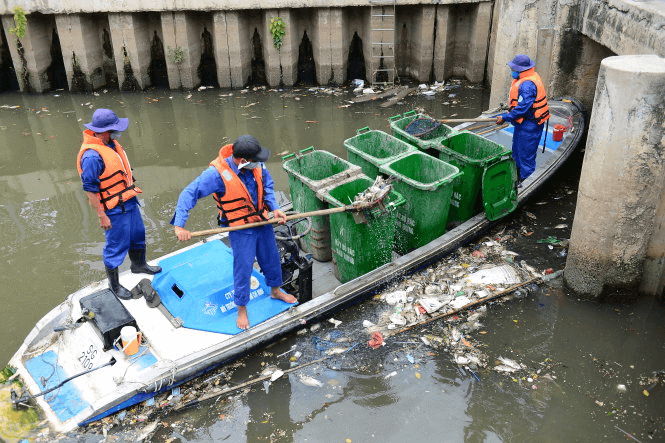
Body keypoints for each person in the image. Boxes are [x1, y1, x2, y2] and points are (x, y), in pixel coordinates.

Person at [172, 135, 297, 330]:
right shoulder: (216, 174)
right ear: (243, 161)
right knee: (243, 268)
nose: (259, 164)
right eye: (255, 161)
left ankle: (275, 290)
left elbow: (268, 186)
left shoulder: (257, 166)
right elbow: (189, 193)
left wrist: (275, 207)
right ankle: (241, 308)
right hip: (240, 228)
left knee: (271, 258)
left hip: (262, 221)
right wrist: (179, 225)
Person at [77, 109, 161, 301]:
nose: (117, 133)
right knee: (115, 246)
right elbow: (90, 189)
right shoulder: (91, 156)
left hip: (128, 200)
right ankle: (114, 285)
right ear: (103, 131)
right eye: (114, 129)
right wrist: (102, 215)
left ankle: (138, 265)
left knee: (138, 234)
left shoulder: (110, 144)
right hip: (113, 208)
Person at [495, 54, 550, 182]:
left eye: (514, 69)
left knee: (526, 155)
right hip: (523, 124)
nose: (512, 71)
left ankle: (526, 181)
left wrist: (505, 117)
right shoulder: (528, 78)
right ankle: (517, 175)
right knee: (517, 152)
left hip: (530, 125)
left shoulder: (527, 85)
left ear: (521, 70)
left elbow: (523, 108)